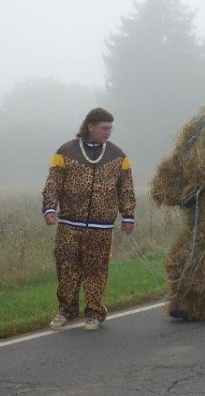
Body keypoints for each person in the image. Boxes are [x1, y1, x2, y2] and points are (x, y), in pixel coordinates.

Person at [41, 108, 135, 331]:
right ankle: (66, 310)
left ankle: (94, 313)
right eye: (104, 128)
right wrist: (49, 208)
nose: (108, 132)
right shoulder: (65, 152)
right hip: (69, 223)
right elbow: (53, 182)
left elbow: (126, 189)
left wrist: (128, 216)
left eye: (110, 128)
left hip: (101, 226)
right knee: (67, 267)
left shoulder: (118, 156)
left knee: (97, 269)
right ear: (90, 126)